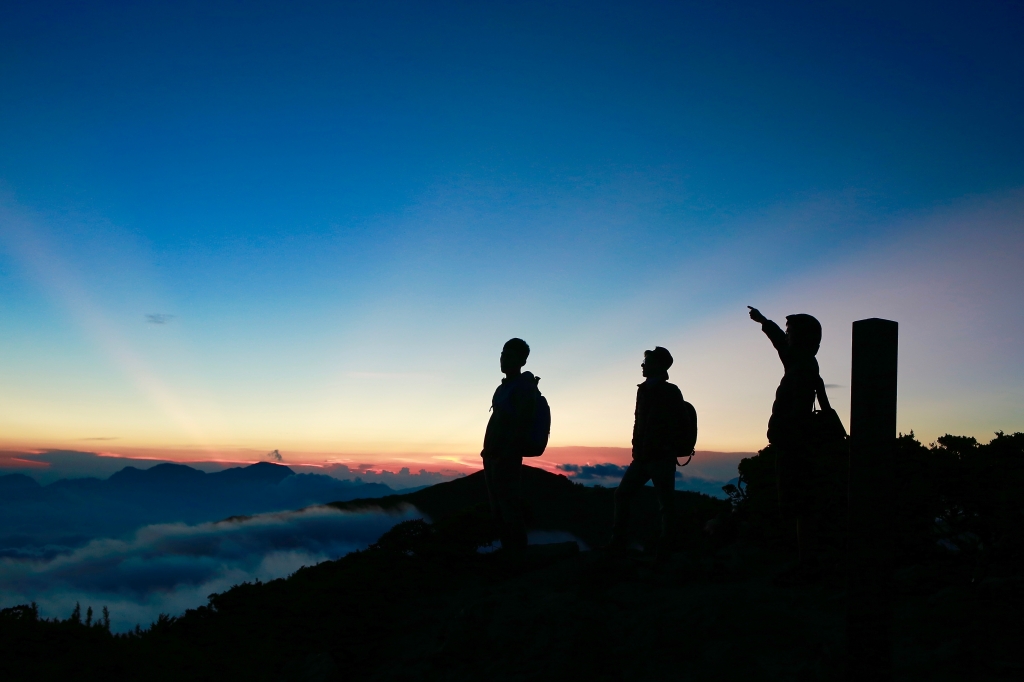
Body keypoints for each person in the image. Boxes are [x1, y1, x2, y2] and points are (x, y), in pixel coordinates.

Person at [747, 306, 829, 581]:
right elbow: (780, 343)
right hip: (792, 442)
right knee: (797, 502)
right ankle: (804, 558)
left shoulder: (803, 366)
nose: (787, 336)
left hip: (795, 444)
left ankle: (807, 562)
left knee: (800, 503)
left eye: (791, 332)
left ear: (804, 338)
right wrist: (764, 322)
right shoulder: (800, 362)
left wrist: (785, 436)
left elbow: (797, 412)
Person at [609, 346, 690, 562]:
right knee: (625, 495)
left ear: (659, 365)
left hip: (660, 457)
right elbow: (640, 423)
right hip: (643, 457)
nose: (642, 365)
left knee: (665, 502)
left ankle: (665, 547)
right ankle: (619, 542)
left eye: (647, 361)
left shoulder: (670, 392)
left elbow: (675, 424)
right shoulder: (643, 390)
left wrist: (663, 447)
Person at [480, 338, 538, 552]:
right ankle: (509, 551)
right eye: (503, 354)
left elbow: (522, 423)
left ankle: (517, 554)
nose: (504, 359)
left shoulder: (524, 387)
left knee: (508, 506)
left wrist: (507, 451)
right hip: (492, 455)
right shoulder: (503, 387)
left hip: (506, 456)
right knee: (498, 507)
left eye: (510, 355)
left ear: (522, 360)